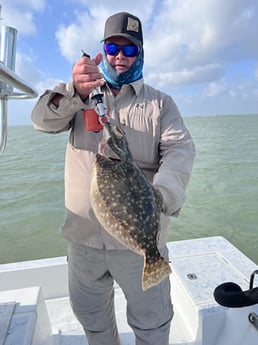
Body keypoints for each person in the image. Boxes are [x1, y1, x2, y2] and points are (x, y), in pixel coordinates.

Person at [31, 11, 195, 345]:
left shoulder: (161, 105)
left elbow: (180, 154)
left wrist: (161, 195)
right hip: (84, 242)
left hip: (137, 246)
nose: (120, 56)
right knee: (94, 323)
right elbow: (40, 120)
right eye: (113, 48)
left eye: (130, 49)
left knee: (152, 325)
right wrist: (75, 92)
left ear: (141, 52)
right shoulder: (79, 96)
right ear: (103, 51)